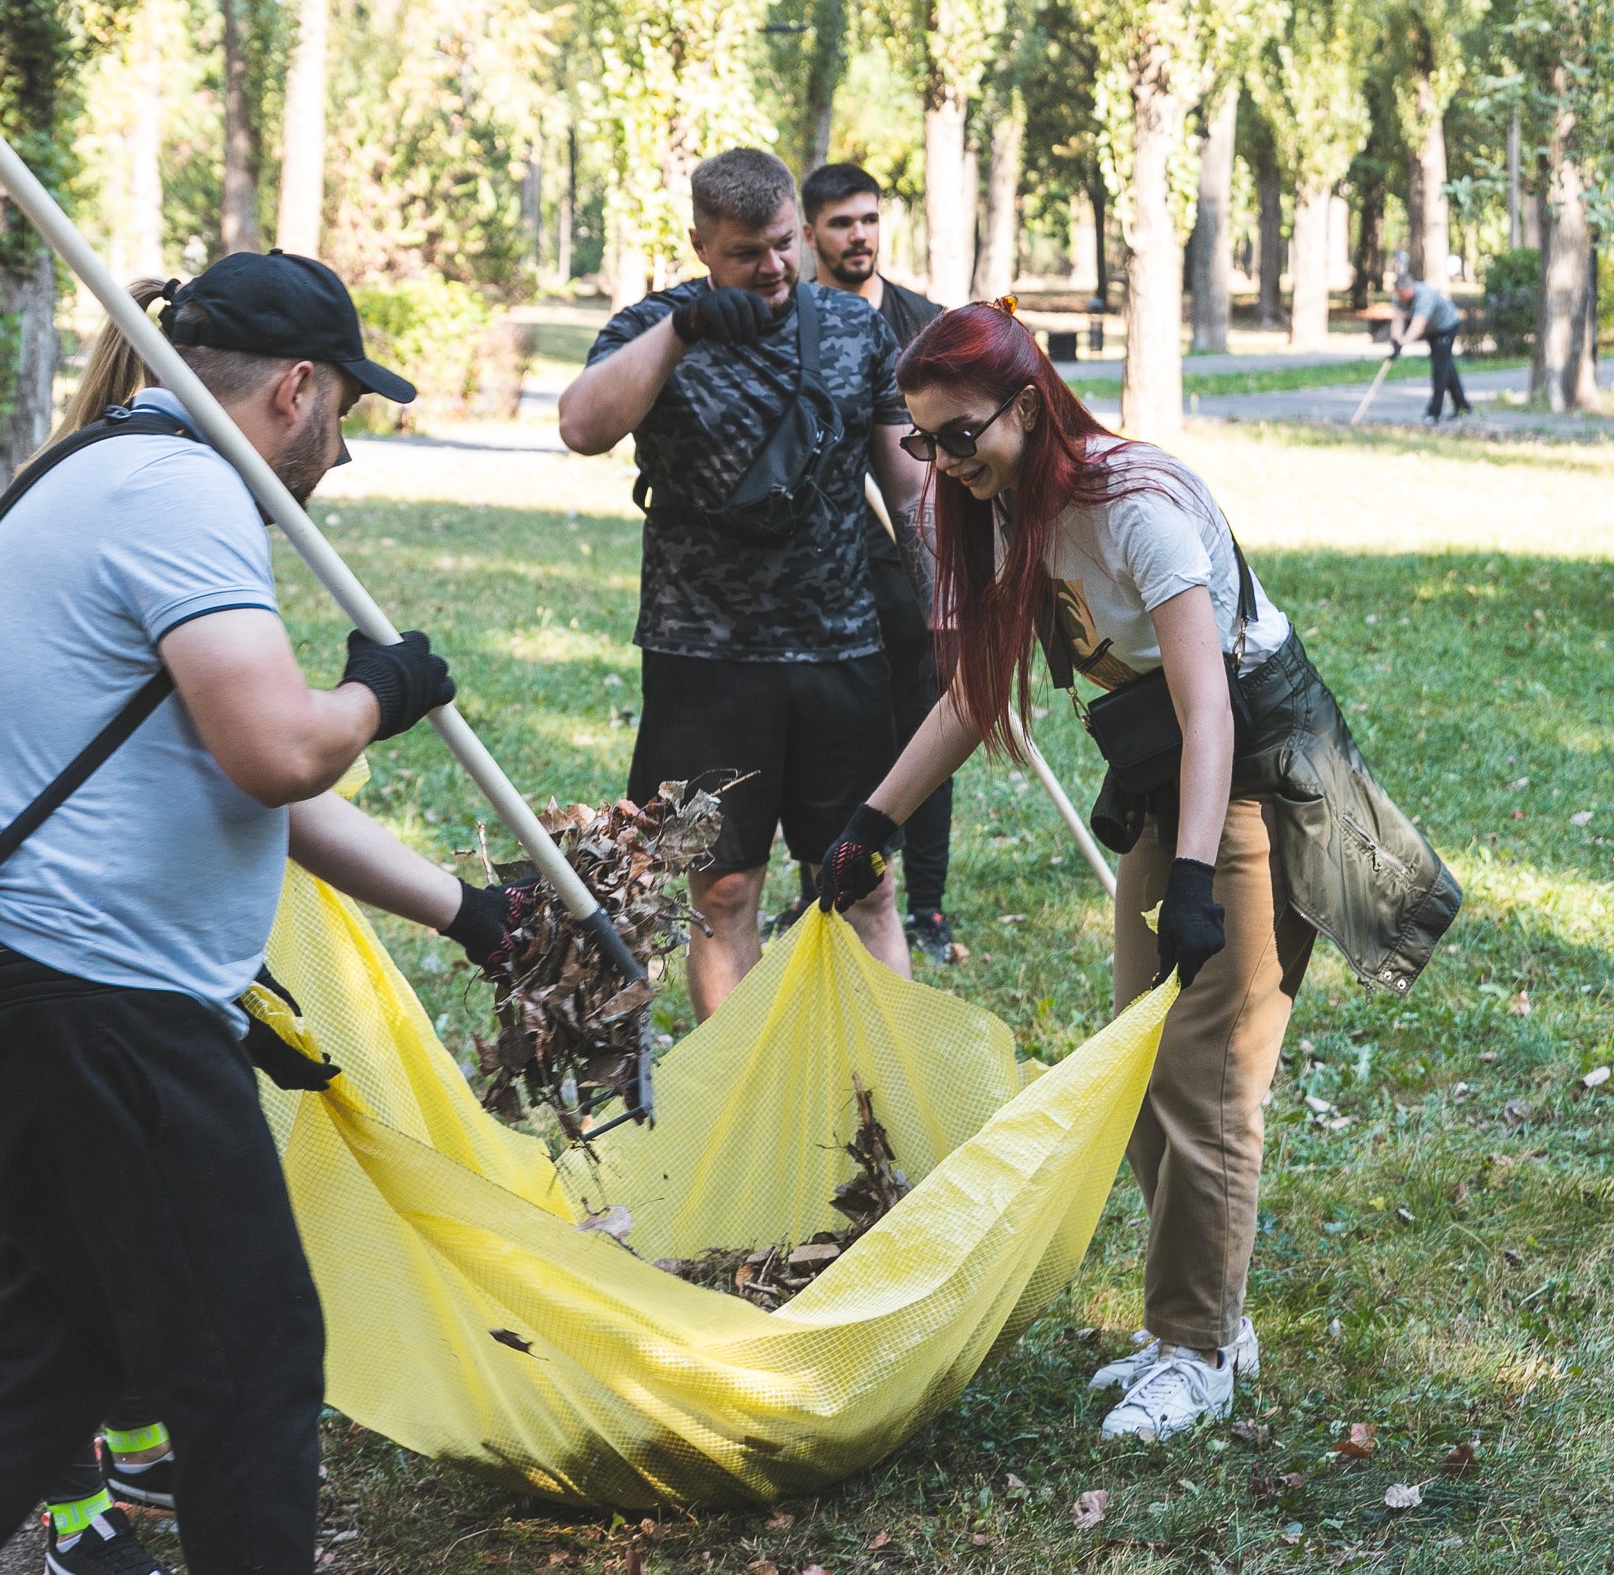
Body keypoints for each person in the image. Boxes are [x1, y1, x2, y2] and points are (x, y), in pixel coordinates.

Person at [0, 252, 536, 1575]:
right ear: (294, 388)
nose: (344, 445)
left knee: (48, 1363)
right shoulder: (182, 493)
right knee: (252, 1362)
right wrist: (374, 698)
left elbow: (225, 786)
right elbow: (278, 753)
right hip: (108, 1017)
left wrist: (465, 911)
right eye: (347, 407)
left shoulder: (103, 471)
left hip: (27, 1010)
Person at [815, 302, 1460, 1442]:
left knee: (1207, 1080)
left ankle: (1201, 1350)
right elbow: (973, 692)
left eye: (955, 435)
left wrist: (1202, 877)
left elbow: (1210, 708)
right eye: (921, 441)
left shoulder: (1135, 505)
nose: (939, 463)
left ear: (1025, 405)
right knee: (1139, 1063)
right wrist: (872, 816)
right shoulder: (1002, 511)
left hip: (1259, 777)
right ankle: (1197, 1322)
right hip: (1168, 782)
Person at [558, 149, 932, 1018]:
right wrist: (685, 329)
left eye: (780, 246)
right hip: (704, 663)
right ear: (699, 244)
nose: (770, 269)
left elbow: (909, 490)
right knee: (723, 896)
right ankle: (744, 1107)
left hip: (843, 650)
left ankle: (889, 1097)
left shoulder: (851, 327)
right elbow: (582, 425)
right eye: (742, 253)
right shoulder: (652, 328)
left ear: (800, 232)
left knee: (864, 884)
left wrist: (948, 610)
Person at [798, 161, 957, 961]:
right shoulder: (798, 323)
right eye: (839, 223)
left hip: (915, 568)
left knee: (930, 723)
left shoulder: (921, 323)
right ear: (810, 233)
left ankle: (926, 905)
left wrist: (949, 584)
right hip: (837, 569)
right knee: (842, 735)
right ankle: (820, 885)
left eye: (868, 220)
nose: (857, 236)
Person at [1389, 273, 1470, 422]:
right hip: (1431, 330)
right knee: (1446, 366)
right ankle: (1463, 406)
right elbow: (1398, 319)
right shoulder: (1398, 297)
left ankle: (1434, 412)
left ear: (1409, 288)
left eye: (1401, 293)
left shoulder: (1424, 296)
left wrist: (1404, 342)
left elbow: (1418, 325)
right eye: (1397, 293)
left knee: (1440, 368)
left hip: (1446, 326)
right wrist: (1395, 341)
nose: (1399, 296)